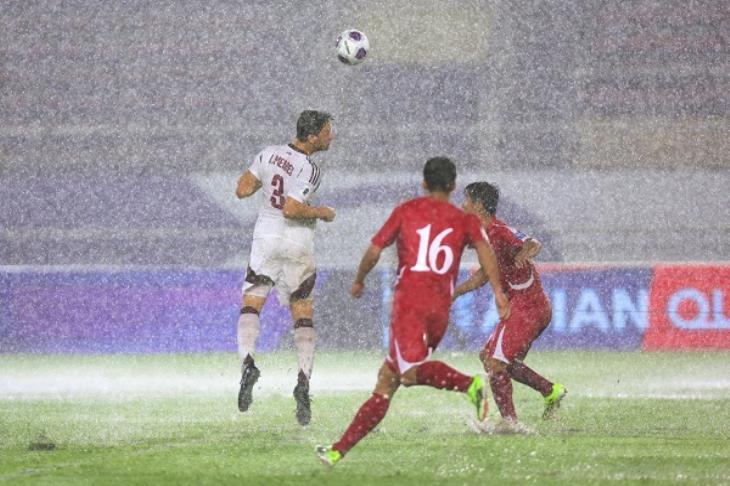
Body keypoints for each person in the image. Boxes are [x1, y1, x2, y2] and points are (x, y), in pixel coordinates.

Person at [316, 157, 510, 467]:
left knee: (406, 372)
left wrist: (359, 279)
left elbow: (375, 250)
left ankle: (468, 384)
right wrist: (499, 292)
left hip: (410, 305)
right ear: (453, 185)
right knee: (387, 380)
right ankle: (338, 450)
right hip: (439, 311)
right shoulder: (465, 220)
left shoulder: (407, 211)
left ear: (423, 183)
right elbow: (486, 250)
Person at [234, 110, 336, 425]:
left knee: (252, 304)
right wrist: (322, 212)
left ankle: (248, 364)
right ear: (314, 134)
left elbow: (242, 190)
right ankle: (303, 382)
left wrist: (266, 180)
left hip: (266, 237)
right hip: (296, 243)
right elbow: (292, 209)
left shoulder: (268, 153)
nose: (332, 136)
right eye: (328, 131)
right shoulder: (310, 167)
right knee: (302, 312)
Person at [454, 181, 566, 434]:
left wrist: (524, 252)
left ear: (479, 205)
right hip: (523, 307)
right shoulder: (483, 235)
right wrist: (454, 293)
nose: (463, 205)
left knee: (497, 363)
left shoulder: (499, 230)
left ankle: (509, 423)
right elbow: (484, 274)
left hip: (529, 307)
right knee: (491, 359)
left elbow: (533, 243)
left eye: (467, 201)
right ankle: (550, 391)